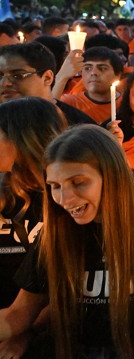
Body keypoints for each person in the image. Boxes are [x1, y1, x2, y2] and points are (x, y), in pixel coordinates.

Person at [1, 125, 134, 359]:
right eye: (55, 186)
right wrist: (20, 335)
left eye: (79, 182)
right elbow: (20, 314)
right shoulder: (57, 231)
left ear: (111, 175)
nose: (64, 198)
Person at [0, 99, 64, 311]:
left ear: (23, 139)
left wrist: (23, 334)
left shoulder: (67, 199)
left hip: (43, 328)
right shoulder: (4, 192)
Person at [0, 42, 94, 125]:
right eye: (0, 76)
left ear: (47, 78)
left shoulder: (77, 125)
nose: (4, 83)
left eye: (18, 75)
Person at [59, 47, 124, 123]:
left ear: (118, 75)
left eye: (102, 68)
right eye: (87, 68)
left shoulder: (126, 104)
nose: (93, 73)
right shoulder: (69, 102)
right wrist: (62, 76)